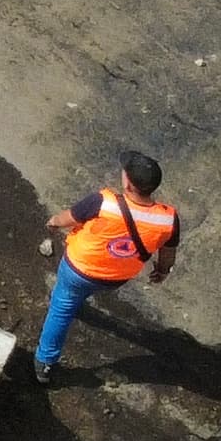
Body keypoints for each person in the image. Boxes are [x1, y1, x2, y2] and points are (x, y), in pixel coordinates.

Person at [31, 152, 178, 380]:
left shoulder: (104, 202)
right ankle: (77, 301)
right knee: (80, 293)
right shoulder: (168, 219)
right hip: (114, 278)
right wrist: (162, 270)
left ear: (127, 183)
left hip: (78, 269)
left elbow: (66, 219)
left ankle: (44, 363)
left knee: (61, 309)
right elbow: (168, 252)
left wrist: (53, 223)